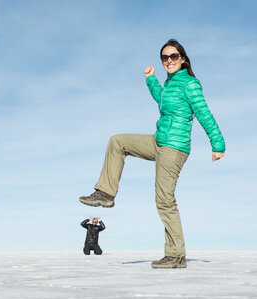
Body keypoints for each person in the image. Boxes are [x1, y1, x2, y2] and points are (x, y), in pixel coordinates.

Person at [79, 39, 225, 268]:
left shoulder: (190, 84)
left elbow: (204, 113)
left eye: (173, 56)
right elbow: (161, 97)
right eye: (165, 57)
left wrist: (217, 145)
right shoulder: (170, 85)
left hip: (174, 148)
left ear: (183, 59)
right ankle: (105, 193)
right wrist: (150, 79)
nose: (169, 61)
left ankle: (176, 255)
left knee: (164, 200)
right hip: (158, 141)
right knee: (117, 142)